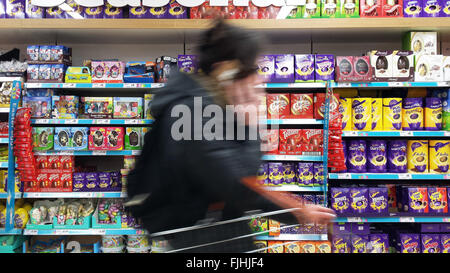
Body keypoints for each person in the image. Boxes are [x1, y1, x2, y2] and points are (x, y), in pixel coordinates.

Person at [125, 19, 336, 253]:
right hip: (203, 242)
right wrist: (250, 120)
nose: (259, 78)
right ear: (228, 70)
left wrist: (298, 212)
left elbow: (241, 183)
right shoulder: (195, 112)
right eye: (253, 68)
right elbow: (238, 185)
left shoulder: (207, 105)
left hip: (216, 233)